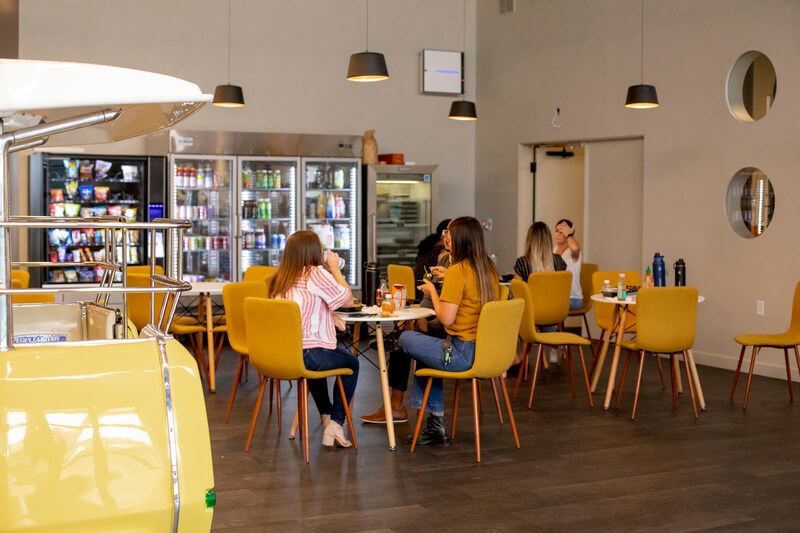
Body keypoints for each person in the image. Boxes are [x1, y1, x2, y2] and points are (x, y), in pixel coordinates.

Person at [398, 216, 499, 446]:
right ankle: (434, 422)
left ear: (460, 242)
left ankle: (434, 420)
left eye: (450, 239)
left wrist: (433, 290)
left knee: (407, 338)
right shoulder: (488, 269)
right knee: (426, 345)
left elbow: (445, 318)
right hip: (486, 352)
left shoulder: (458, 271)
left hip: (460, 355)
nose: (446, 242)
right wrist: (448, 277)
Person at [268, 231, 359, 448]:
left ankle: (326, 417)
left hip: (284, 354)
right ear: (313, 252)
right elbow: (347, 300)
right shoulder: (315, 273)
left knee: (317, 365)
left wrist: (330, 314)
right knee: (352, 363)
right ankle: (336, 423)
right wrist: (335, 269)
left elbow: (300, 308)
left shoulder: (281, 277)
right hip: (306, 354)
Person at [513, 221, 565, 364]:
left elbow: (517, 291)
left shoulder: (523, 263)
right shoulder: (558, 261)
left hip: (532, 315)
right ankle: (554, 341)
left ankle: (520, 358)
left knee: (516, 312)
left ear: (529, 240)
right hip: (555, 313)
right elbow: (562, 287)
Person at [554, 218, 583, 311]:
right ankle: (554, 326)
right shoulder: (552, 250)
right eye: (557, 231)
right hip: (555, 296)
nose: (558, 234)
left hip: (573, 299)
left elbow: (575, 248)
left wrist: (570, 234)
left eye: (562, 232)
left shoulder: (573, 252)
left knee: (546, 306)